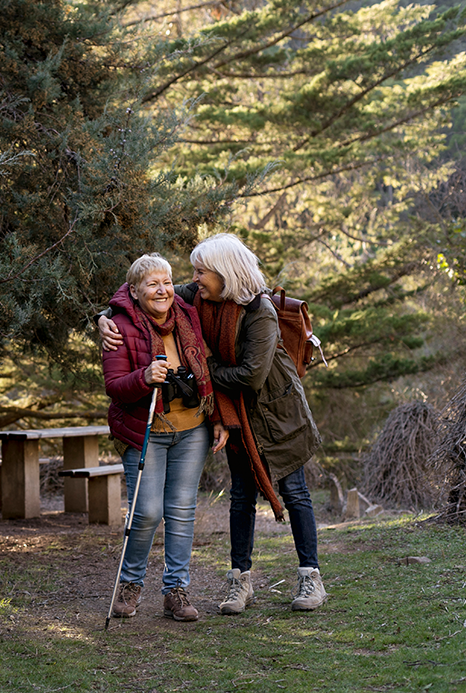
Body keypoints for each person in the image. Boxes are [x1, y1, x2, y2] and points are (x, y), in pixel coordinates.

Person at [99, 234, 327, 613]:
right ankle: (240, 582)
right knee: (240, 496)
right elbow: (141, 290)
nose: (194, 278)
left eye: (201, 271)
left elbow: (252, 376)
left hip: (277, 412)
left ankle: (310, 578)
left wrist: (199, 371)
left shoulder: (260, 312)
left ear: (224, 273)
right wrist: (103, 317)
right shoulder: (202, 296)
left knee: (295, 492)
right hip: (236, 414)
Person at [102, 253, 228, 622]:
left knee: (182, 512)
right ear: (135, 291)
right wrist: (144, 376)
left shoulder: (188, 314)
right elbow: (114, 387)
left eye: (167, 282)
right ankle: (131, 584)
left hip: (192, 430)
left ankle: (176, 590)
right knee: (146, 512)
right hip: (145, 433)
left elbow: (205, 370)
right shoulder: (119, 326)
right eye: (152, 284)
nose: (162, 290)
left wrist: (218, 418)